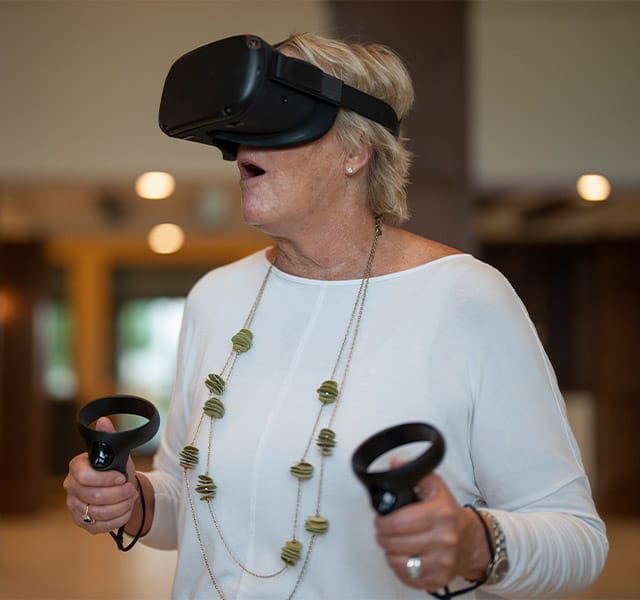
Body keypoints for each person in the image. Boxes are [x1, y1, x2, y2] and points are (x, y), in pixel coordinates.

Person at [64, 32, 608, 599]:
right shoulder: (215, 298)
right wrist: (131, 499)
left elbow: (577, 539)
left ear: (355, 151)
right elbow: (189, 503)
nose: (240, 145)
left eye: (273, 116)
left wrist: (475, 542)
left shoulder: (466, 298)